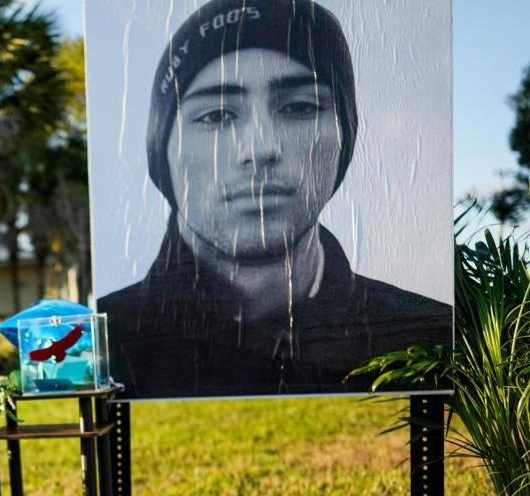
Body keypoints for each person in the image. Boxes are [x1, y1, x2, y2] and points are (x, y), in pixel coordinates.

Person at [97, 0, 452, 398]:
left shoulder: (423, 336)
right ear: (161, 149)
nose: (261, 148)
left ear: (345, 136)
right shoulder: (107, 345)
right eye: (215, 115)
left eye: (300, 107)